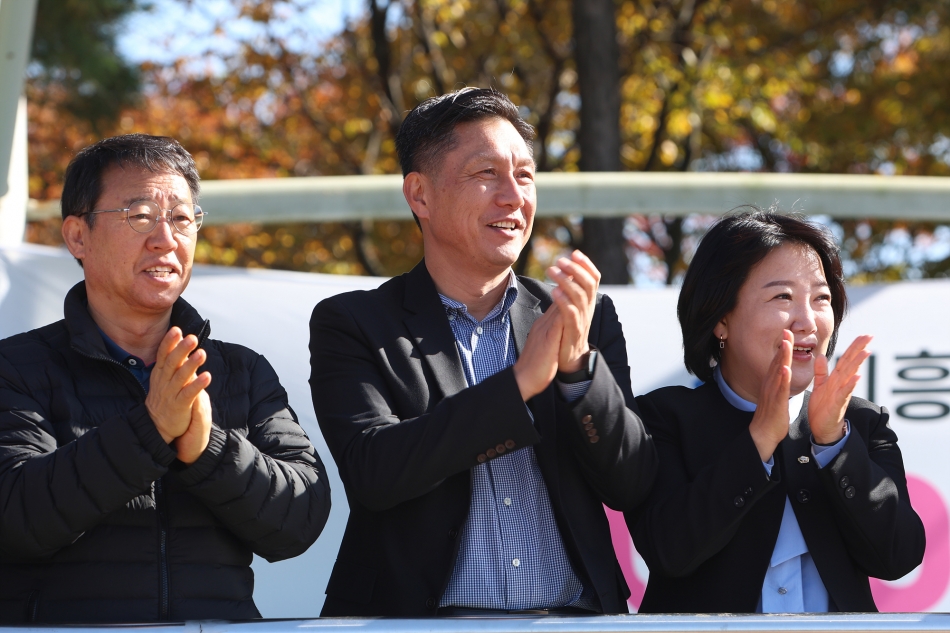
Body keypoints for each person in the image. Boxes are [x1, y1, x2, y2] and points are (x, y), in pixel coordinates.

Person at [309, 87, 657, 617]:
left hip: (574, 621)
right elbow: (374, 473)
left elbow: (630, 483)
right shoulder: (354, 323)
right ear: (419, 195)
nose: (513, 196)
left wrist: (579, 372)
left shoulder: (582, 317)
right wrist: (519, 384)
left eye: (524, 175)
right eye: (486, 174)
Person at [0, 134, 331, 623]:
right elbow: (15, 519)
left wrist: (206, 449)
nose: (165, 238)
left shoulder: (239, 370)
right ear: (78, 236)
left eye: (181, 218)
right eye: (139, 216)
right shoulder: (18, 367)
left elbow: (299, 520)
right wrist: (151, 428)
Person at [626, 209, 925, 613]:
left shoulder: (863, 424)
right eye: (782, 296)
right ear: (720, 319)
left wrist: (834, 443)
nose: (808, 321)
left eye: (821, 298)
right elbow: (669, 550)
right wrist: (759, 441)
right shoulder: (663, 417)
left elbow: (899, 556)